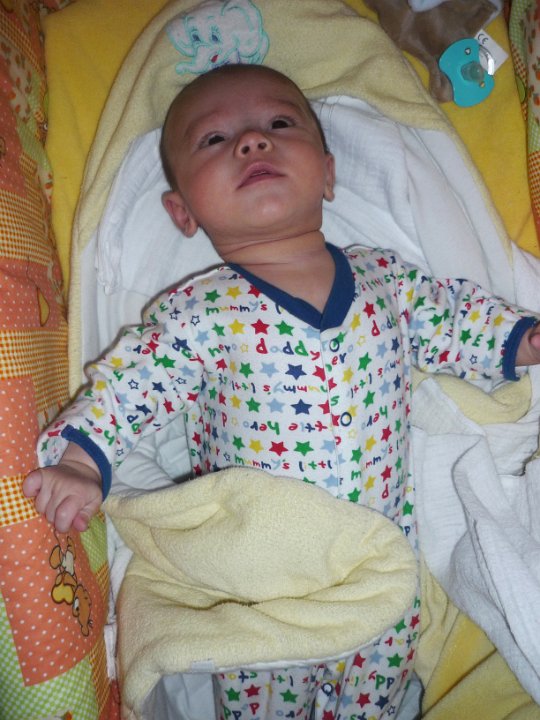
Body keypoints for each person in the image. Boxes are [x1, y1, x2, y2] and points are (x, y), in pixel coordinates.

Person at [24, 63, 540, 719]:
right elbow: (130, 385)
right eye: (215, 139)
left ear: (327, 174)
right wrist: (79, 460)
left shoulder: (387, 280)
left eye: (279, 123)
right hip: (264, 584)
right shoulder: (201, 312)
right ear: (183, 212)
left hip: (376, 574)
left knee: (374, 698)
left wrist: (521, 338)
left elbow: (456, 320)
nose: (252, 141)